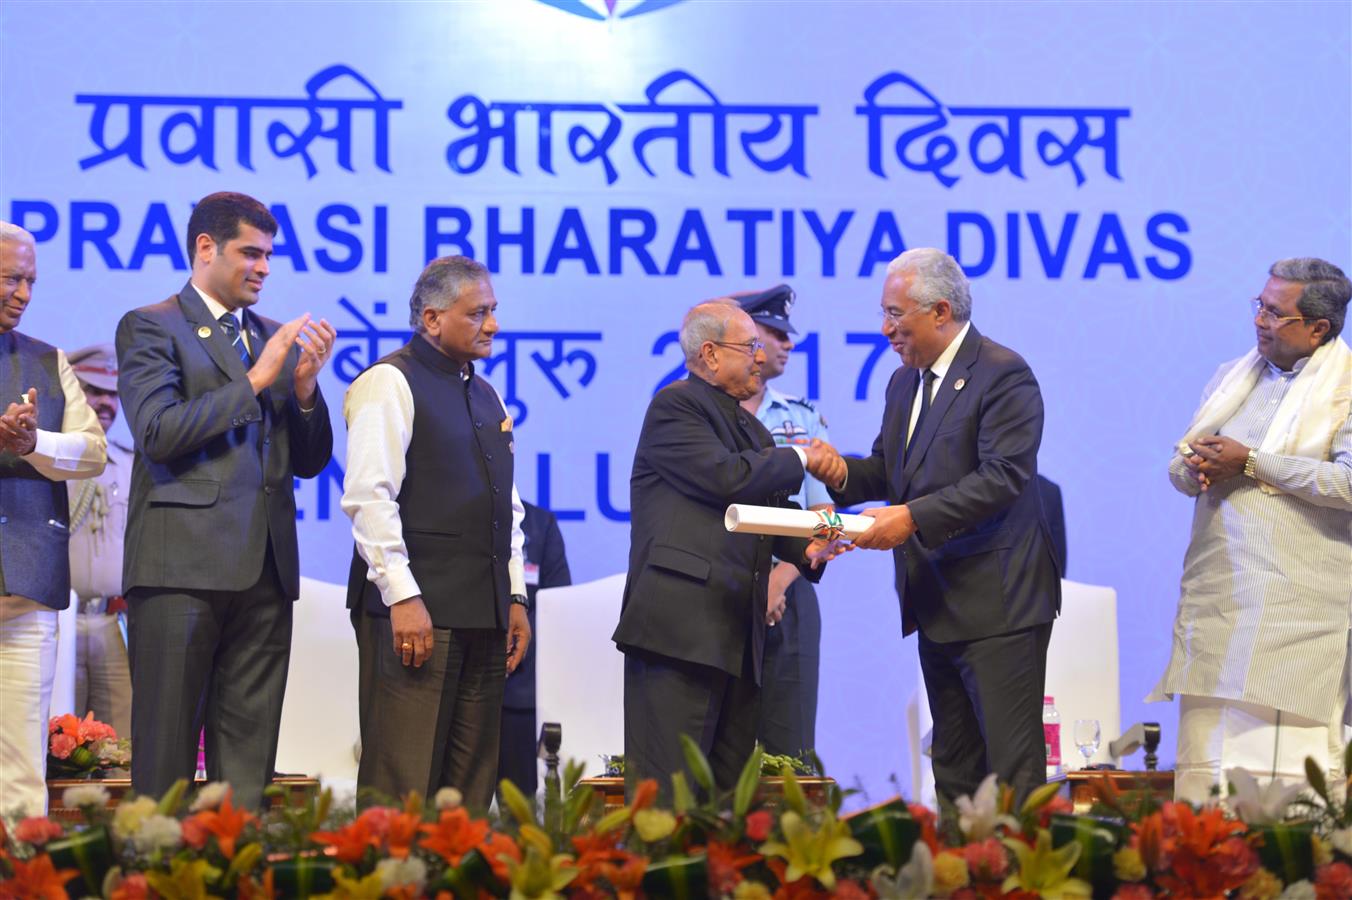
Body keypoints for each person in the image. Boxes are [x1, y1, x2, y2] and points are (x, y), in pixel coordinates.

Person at [809, 247, 1061, 804]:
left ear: (940, 311)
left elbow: (1004, 477)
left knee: (1010, 775)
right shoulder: (904, 383)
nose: (885, 329)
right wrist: (840, 470)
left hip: (1001, 607)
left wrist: (911, 520)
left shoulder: (1003, 373)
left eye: (895, 314)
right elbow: (891, 470)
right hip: (938, 601)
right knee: (953, 769)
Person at [116, 191, 335, 809]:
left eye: (269, 255)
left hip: (265, 572)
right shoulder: (152, 324)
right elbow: (158, 432)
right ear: (205, 248)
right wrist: (259, 379)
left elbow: (312, 460)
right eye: (250, 252)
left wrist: (305, 389)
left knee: (247, 769)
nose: (264, 267)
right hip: (179, 570)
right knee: (166, 761)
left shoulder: (273, 338)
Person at [612, 300, 847, 798]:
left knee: (726, 807)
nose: (760, 358)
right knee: (668, 800)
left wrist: (817, 544)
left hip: (737, 640)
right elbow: (727, 479)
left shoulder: (750, 427)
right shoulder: (675, 406)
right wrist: (803, 454)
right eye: (751, 347)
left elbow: (768, 514)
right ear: (711, 354)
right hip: (681, 635)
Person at [1150, 257, 1352, 804]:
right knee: (1204, 789)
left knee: (1288, 799)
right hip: (1218, 613)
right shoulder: (1232, 377)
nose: (1259, 319)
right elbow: (1179, 466)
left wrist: (1253, 463)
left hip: (1300, 625)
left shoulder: (1346, 388)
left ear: (1318, 329)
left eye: (1275, 312)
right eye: (1259, 305)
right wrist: (1195, 467)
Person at [342, 255, 532, 811]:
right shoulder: (389, 382)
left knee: (469, 793)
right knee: (402, 786)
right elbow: (369, 497)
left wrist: (514, 596)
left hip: (483, 615)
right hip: (417, 617)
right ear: (431, 318)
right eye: (477, 313)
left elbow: (507, 506)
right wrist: (403, 596)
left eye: (493, 311)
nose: (493, 324)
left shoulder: (485, 393)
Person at [0, 222, 107, 816]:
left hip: (26, 594)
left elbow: (91, 453)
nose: (24, 293)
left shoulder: (47, 360)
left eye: (31, 280)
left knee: (21, 772)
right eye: (11, 279)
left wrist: (32, 441)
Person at [733, 284, 830, 760]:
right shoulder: (694, 413)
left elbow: (825, 520)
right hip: (721, 595)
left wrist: (777, 580)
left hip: (788, 592)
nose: (789, 344)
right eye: (776, 333)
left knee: (789, 754)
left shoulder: (802, 418)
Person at [65, 343, 133, 739]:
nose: (105, 402)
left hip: (114, 624)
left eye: (112, 394)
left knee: (120, 746)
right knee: (53, 744)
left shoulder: (132, 464)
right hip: (60, 621)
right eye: (94, 391)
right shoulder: (45, 462)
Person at [498, 500, 572, 797]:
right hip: (464, 682)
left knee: (520, 809)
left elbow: (558, 607)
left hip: (520, 692)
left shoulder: (540, 524)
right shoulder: (454, 518)